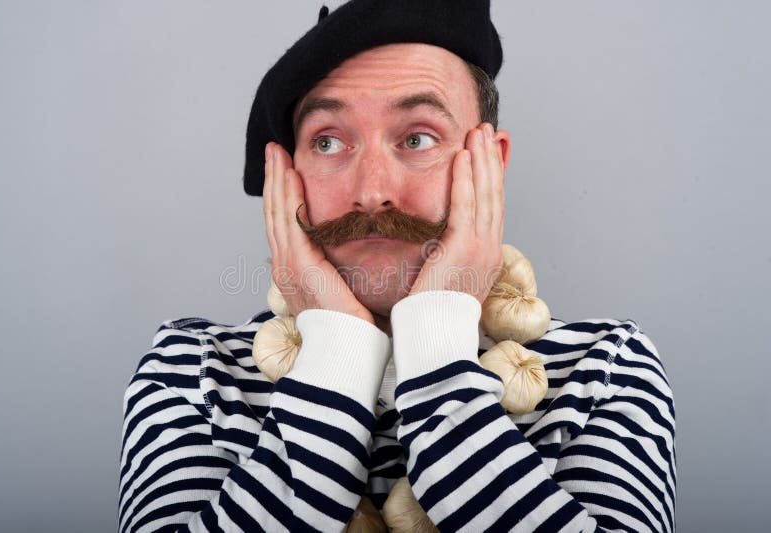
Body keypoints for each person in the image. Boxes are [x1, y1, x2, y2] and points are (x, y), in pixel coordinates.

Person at [118, 1, 676, 531]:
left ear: (490, 166)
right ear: (287, 178)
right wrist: (336, 351)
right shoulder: (193, 374)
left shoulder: (603, 371)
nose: (372, 193)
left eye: (416, 137)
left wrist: (437, 351)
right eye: (330, 142)